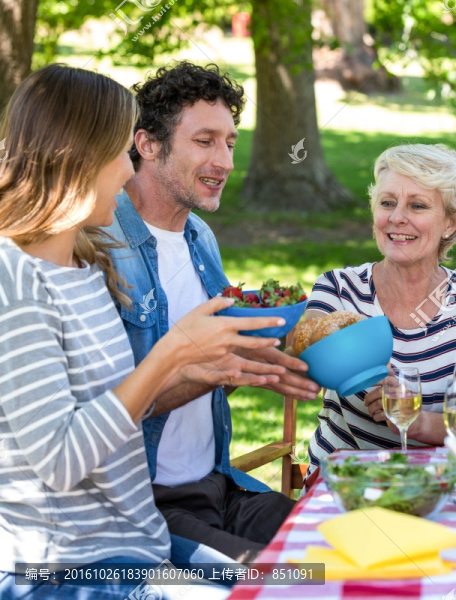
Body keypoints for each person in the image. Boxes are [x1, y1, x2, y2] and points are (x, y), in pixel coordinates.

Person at [0, 65, 284, 599]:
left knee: (325, 569)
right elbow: (62, 459)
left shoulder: (88, 266)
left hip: (141, 545)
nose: (127, 172)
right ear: (75, 157)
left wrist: (226, 362)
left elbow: (114, 403)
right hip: (68, 569)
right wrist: (173, 354)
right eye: (118, 154)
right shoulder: (15, 279)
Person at [104, 62, 321, 564]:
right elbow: (111, 411)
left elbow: (211, 373)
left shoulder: (201, 238)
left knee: (345, 546)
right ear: (148, 144)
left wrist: (257, 364)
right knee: (291, 580)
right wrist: (220, 367)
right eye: (205, 141)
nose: (223, 160)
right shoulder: (102, 246)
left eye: (230, 142)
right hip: (145, 508)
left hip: (219, 486)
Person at [302, 144, 456, 472]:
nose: (397, 218)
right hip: (343, 486)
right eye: (387, 203)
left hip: (441, 485)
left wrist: (418, 421)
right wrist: (367, 369)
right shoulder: (338, 288)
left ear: (451, 222)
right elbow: (306, 344)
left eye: (417, 205)